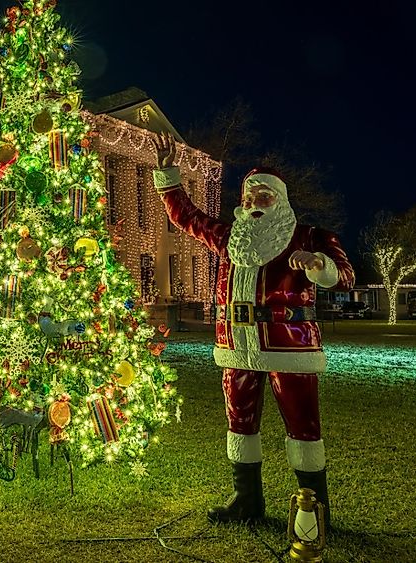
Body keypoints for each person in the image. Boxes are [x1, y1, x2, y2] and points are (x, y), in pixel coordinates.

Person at [149, 133, 354, 527]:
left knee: (303, 426)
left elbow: (344, 276)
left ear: (280, 199)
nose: (253, 203)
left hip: (289, 348)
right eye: (248, 196)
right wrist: (167, 175)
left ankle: (313, 508)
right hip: (236, 346)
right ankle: (247, 500)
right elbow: (186, 217)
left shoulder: (310, 237)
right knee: (240, 424)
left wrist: (318, 264)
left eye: (264, 196)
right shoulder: (230, 238)